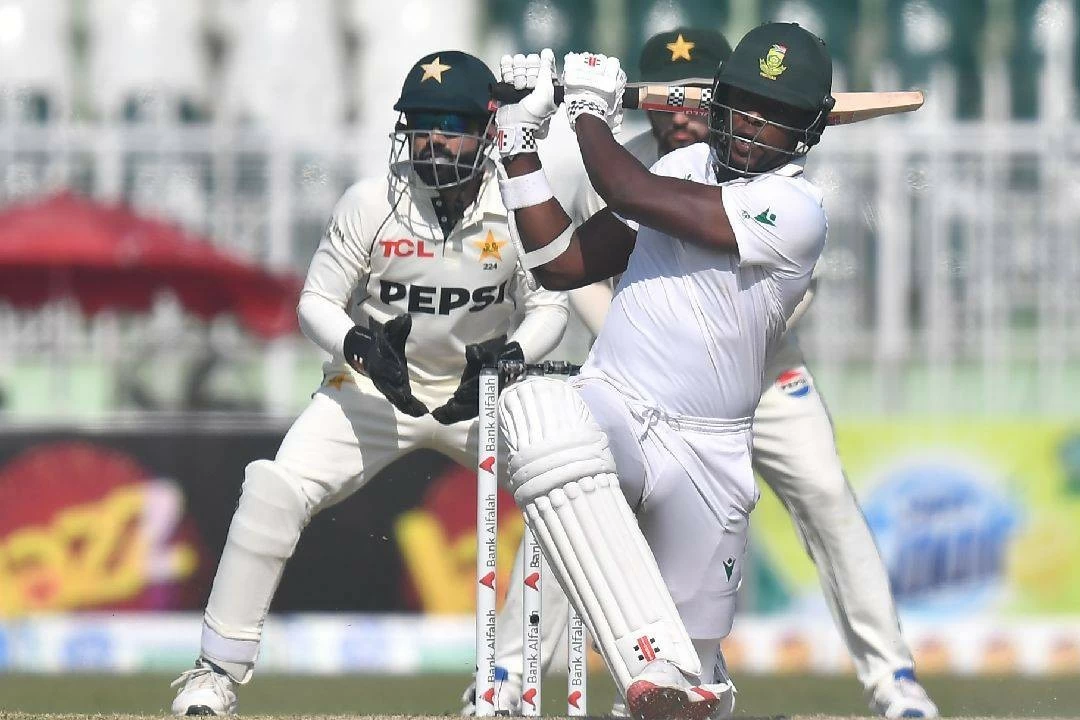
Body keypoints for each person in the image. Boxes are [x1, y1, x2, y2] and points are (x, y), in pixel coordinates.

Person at [471, 28, 938, 720]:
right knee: (542, 413)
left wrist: (588, 114)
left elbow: (631, 189)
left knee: (697, 693)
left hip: (711, 452)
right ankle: (614, 658)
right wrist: (516, 143)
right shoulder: (687, 166)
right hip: (621, 407)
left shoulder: (798, 212)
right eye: (742, 105)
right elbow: (561, 264)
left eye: (772, 116)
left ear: (808, 130)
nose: (749, 127)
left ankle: (694, 672)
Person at [168, 50, 570, 716]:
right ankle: (214, 673)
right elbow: (316, 300)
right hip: (375, 390)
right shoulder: (370, 201)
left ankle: (503, 685)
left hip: (483, 393)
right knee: (272, 490)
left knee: (563, 499)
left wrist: (509, 355)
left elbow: (551, 307)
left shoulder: (518, 200)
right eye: (420, 122)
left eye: (451, 123)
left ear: (488, 129)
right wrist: (357, 343)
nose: (433, 138)